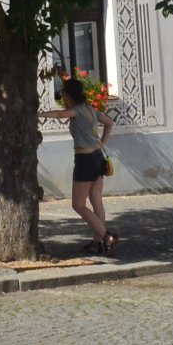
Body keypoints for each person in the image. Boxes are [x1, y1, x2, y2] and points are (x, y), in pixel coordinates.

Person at [43, 76, 115, 254]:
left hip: (85, 161)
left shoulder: (76, 111)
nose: (62, 98)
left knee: (78, 205)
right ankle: (97, 243)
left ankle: (107, 237)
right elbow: (109, 122)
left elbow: (60, 115)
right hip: (98, 157)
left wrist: (37, 114)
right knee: (96, 199)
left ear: (68, 95)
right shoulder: (90, 110)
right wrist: (102, 143)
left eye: (63, 95)